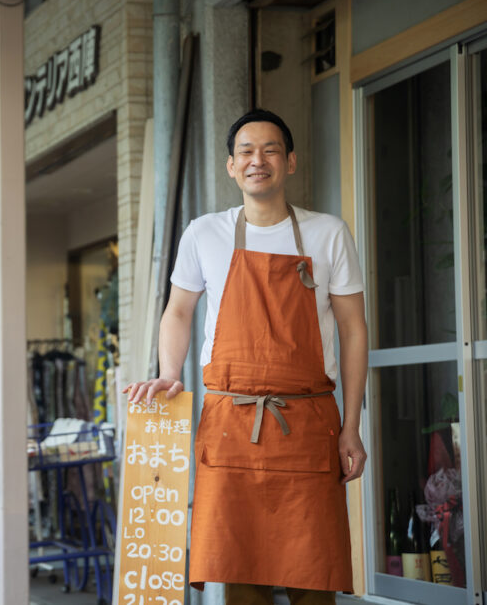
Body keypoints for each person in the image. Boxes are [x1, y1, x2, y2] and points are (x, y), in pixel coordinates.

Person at [124, 109, 368, 605]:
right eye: (246, 152)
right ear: (231, 167)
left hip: (308, 424)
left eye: (271, 150)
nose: (259, 161)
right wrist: (170, 373)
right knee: (240, 577)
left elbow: (353, 329)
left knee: (314, 577)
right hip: (230, 425)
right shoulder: (203, 233)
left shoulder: (328, 233)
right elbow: (178, 311)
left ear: (291, 162)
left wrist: (352, 427)